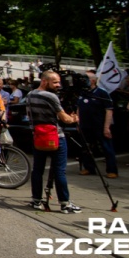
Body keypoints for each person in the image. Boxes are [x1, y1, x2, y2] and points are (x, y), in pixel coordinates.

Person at [26, 70, 82, 213]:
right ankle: (65, 203)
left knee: (37, 170)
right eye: (55, 82)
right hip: (56, 137)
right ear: (44, 81)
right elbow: (64, 118)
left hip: (38, 136)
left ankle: (36, 200)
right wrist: (74, 118)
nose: (58, 85)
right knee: (59, 171)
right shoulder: (51, 96)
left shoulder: (30, 95)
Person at [77, 73, 118, 178]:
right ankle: (89, 168)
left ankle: (112, 170)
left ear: (93, 80)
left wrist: (106, 127)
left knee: (106, 148)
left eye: (86, 78)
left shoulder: (102, 93)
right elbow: (78, 108)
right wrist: (78, 122)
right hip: (85, 126)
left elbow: (109, 110)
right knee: (86, 148)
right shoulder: (82, 92)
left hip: (99, 125)